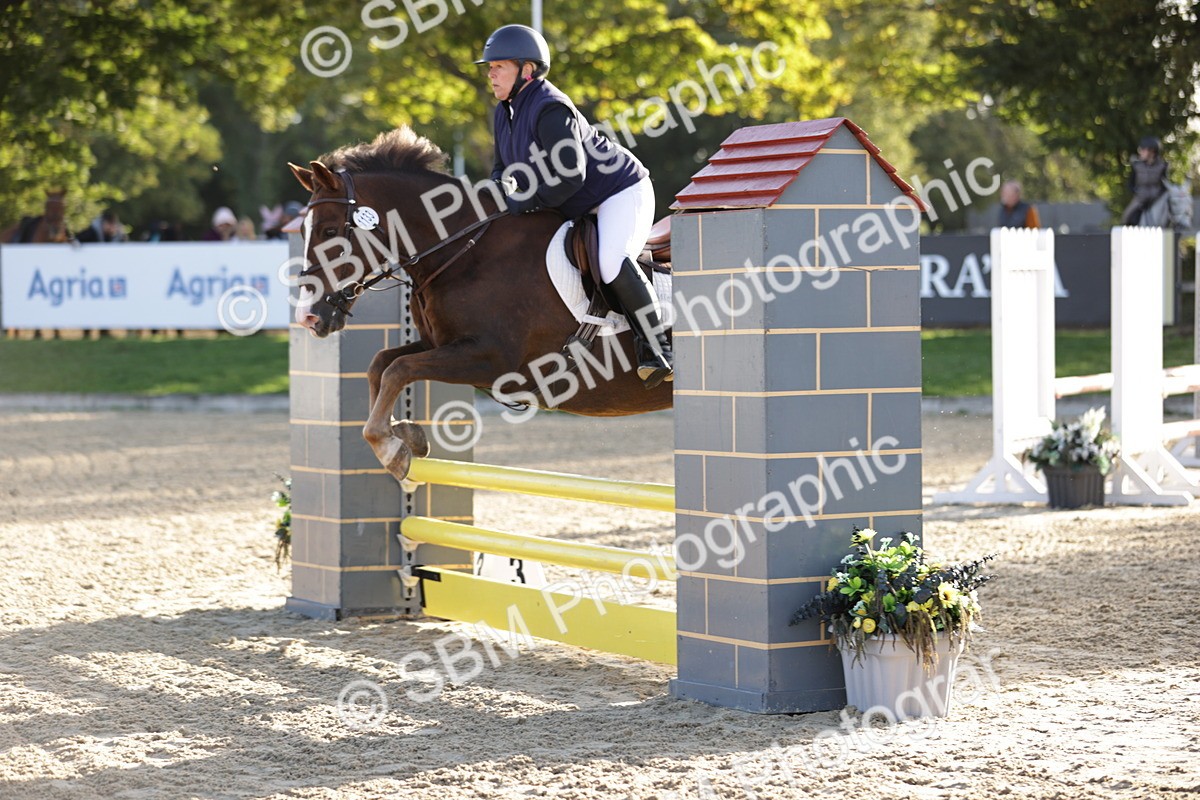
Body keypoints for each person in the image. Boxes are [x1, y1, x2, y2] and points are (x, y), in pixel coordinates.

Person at [475, 24, 672, 388]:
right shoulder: (504, 112)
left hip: (619, 191)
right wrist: (495, 193)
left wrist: (524, 202)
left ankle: (658, 348)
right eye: (490, 67)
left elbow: (570, 176)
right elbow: (502, 169)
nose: (491, 73)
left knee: (611, 261)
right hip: (573, 201)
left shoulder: (550, 108)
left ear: (527, 70)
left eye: (499, 66)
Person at [1120, 136, 1168, 225]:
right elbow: (1130, 183)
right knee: (1127, 215)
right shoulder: (1136, 165)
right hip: (1140, 198)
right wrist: (1136, 191)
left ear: (1152, 151)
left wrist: (1158, 195)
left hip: (1157, 198)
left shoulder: (1163, 166)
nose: (1140, 152)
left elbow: (1165, 185)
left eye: (1143, 150)